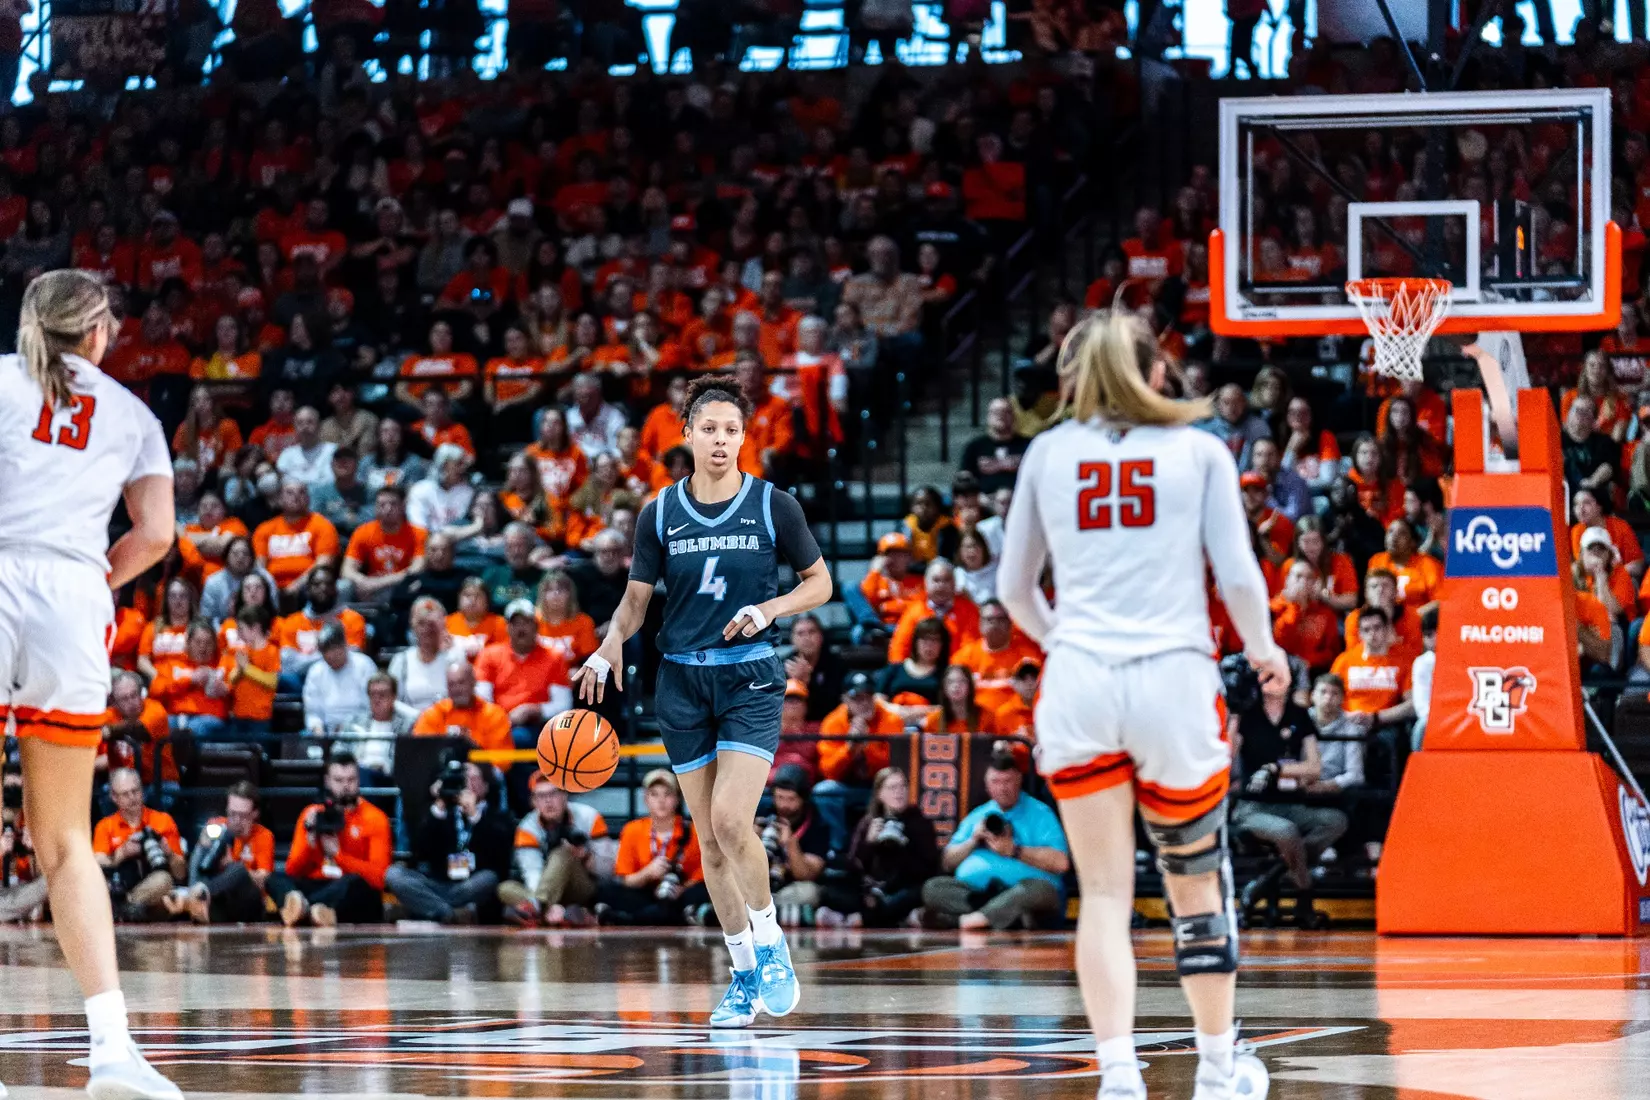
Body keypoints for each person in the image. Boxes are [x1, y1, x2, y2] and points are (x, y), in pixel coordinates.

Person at [996, 311, 1283, 1098]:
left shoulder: (1047, 452)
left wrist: (1068, 643)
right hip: (1172, 682)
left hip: (1080, 681)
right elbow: (1239, 578)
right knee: (1195, 884)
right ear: (1158, 373)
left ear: (1073, 377)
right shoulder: (1199, 450)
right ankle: (1220, 1068)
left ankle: (1120, 1076)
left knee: (1106, 895)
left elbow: (1013, 591)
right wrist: (1265, 655)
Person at [573, 375, 832, 1030]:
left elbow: (821, 583)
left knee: (727, 821)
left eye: (731, 429)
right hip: (681, 681)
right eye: (708, 428)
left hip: (748, 677)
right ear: (686, 434)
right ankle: (744, 973)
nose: (720, 439)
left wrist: (770, 608)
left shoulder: (775, 505)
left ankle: (771, 942)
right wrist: (609, 646)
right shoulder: (659, 512)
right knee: (710, 847)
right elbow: (635, 601)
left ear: (744, 438)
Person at [0, 271, 183, 1096]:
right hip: (73, 600)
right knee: (68, 839)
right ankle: (112, 1050)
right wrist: (90, 581)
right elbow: (156, 536)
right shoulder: (135, 416)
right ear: (102, 331)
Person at [1228, 671, 1347, 921]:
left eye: (1278, 676)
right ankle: (1304, 900)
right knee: (1286, 832)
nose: (1272, 681)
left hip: (1291, 803)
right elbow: (1226, 760)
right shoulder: (1248, 715)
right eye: (1266, 677)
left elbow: (1315, 767)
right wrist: (1234, 717)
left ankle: (1267, 880)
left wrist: (1278, 768)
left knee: (1336, 821)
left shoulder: (1299, 715)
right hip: (1253, 806)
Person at [919, 754, 1069, 930]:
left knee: (1039, 891)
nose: (1002, 788)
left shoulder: (1040, 813)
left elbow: (1061, 863)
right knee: (933, 888)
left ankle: (965, 920)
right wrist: (973, 841)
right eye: (996, 782)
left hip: (1026, 889)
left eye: (1007, 781)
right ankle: (1005, 918)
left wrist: (1015, 850)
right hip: (980, 893)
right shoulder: (978, 815)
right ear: (987, 785)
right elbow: (947, 862)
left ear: (1019, 780)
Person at [269, 752, 392, 926]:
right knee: (274, 878)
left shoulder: (375, 818)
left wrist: (339, 856)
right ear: (327, 780)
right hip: (319, 883)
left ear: (359, 780)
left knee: (358, 885)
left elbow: (379, 878)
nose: (345, 786)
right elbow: (292, 870)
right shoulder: (312, 814)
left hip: (348, 886)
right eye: (339, 780)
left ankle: (304, 910)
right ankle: (316, 911)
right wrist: (309, 843)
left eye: (351, 780)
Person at [386, 758, 514, 925]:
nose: (467, 783)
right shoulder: (439, 812)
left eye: (474, 778)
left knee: (489, 878)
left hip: (470, 883)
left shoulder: (498, 817)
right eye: (463, 777)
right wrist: (439, 806)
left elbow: (499, 858)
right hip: (437, 881)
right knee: (394, 874)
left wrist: (475, 816)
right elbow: (419, 851)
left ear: (486, 785)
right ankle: (448, 913)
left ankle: (432, 909)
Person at [819, 766, 939, 928]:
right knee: (834, 889)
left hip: (904, 886)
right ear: (879, 794)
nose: (899, 792)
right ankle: (896, 918)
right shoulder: (869, 822)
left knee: (917, 893)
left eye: (903, 786)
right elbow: (853, 866)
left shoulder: (920, 822)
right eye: (892, 788)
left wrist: (904, 846)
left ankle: (856, 919)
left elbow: (928, 868)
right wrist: (869, 843)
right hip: (872, 888)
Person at [594, 768, 710, 926]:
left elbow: (703, 876)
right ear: (646, 799)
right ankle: (684, 916)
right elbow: (625, 878)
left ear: (677, 799)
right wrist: (647, 874)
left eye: (667, 794)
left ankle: (633, 919)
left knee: (702, 892)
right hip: (645, 893)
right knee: (608, 891)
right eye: (654, 794)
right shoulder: (632, 830)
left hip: (679, 895)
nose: (661, 800)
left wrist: (680, 889)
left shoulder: (693, 831)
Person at [497, 774, 610, 928]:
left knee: (562, 854)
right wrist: (550, 901)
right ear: (534, 802)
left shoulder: (589, 816)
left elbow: (608, 870)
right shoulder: (527, 827)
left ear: (565, 795)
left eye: (553, 793)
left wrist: (585, 856)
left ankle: (538, 911)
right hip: (545, 885)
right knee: (504, 888)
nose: (548, 801)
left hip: (582, 886)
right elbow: (532, 874)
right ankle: (560, 913)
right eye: (541, 796)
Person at [168, 780, 275, 924]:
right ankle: (195, 897)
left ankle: (193, 897)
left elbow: (263, 880)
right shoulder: (217, 826)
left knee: (238, 869)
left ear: (255, 813)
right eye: (232, 814)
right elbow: (201, 863)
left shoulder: (264, 836)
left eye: (243, 815)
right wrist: (205, 844)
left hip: (247, 903)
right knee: (201, 849)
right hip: (220, 902)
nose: (237, 820)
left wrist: (232, 866)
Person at [93, 768, 187, 923]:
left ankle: (125, 907)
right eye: (125, 794)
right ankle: (126, 908)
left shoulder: (163, 821)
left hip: (151, 892)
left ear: (142, 791)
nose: (132, 798)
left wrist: (168, 853)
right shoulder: (105, 826)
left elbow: (180, 874)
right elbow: (97, 864)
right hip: (119, 886)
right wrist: (121, 854)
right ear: (114, 797)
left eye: (135, 791)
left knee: (164, 880)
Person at [301, 622, 378, 734]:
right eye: (325, 651)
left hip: (360, 728)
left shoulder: (364, 665)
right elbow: (312, 712)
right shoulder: (316, 671)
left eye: (334, 649)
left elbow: (371, 706)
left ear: (344, 645)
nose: (330, 655)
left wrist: (350, 726)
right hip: (327, 730)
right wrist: (318, 729)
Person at [959, 397, 1030, 494]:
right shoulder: (974, 447)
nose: (1001, 415)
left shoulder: (1028, 445)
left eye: (1006, 412)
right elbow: (964, 479)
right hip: (984, 503)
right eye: (996, 412)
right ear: (988, 417)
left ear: (1014, 417)